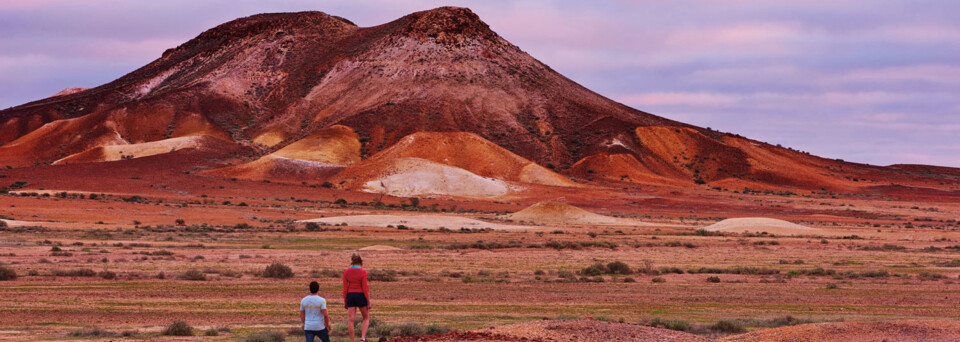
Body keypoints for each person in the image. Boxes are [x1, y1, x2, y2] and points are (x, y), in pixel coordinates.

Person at [343, 253, 371, 342]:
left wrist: (345, 300)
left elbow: (345, 288)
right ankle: (362, 338)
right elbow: (365, 288)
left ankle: (352, 340)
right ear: (360, 261)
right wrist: (368, 301)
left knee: (351, 320)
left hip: (350, 295)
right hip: (360, 295)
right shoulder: (363, 272)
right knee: (366, 318)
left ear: (352, 260)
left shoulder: (346, 272)